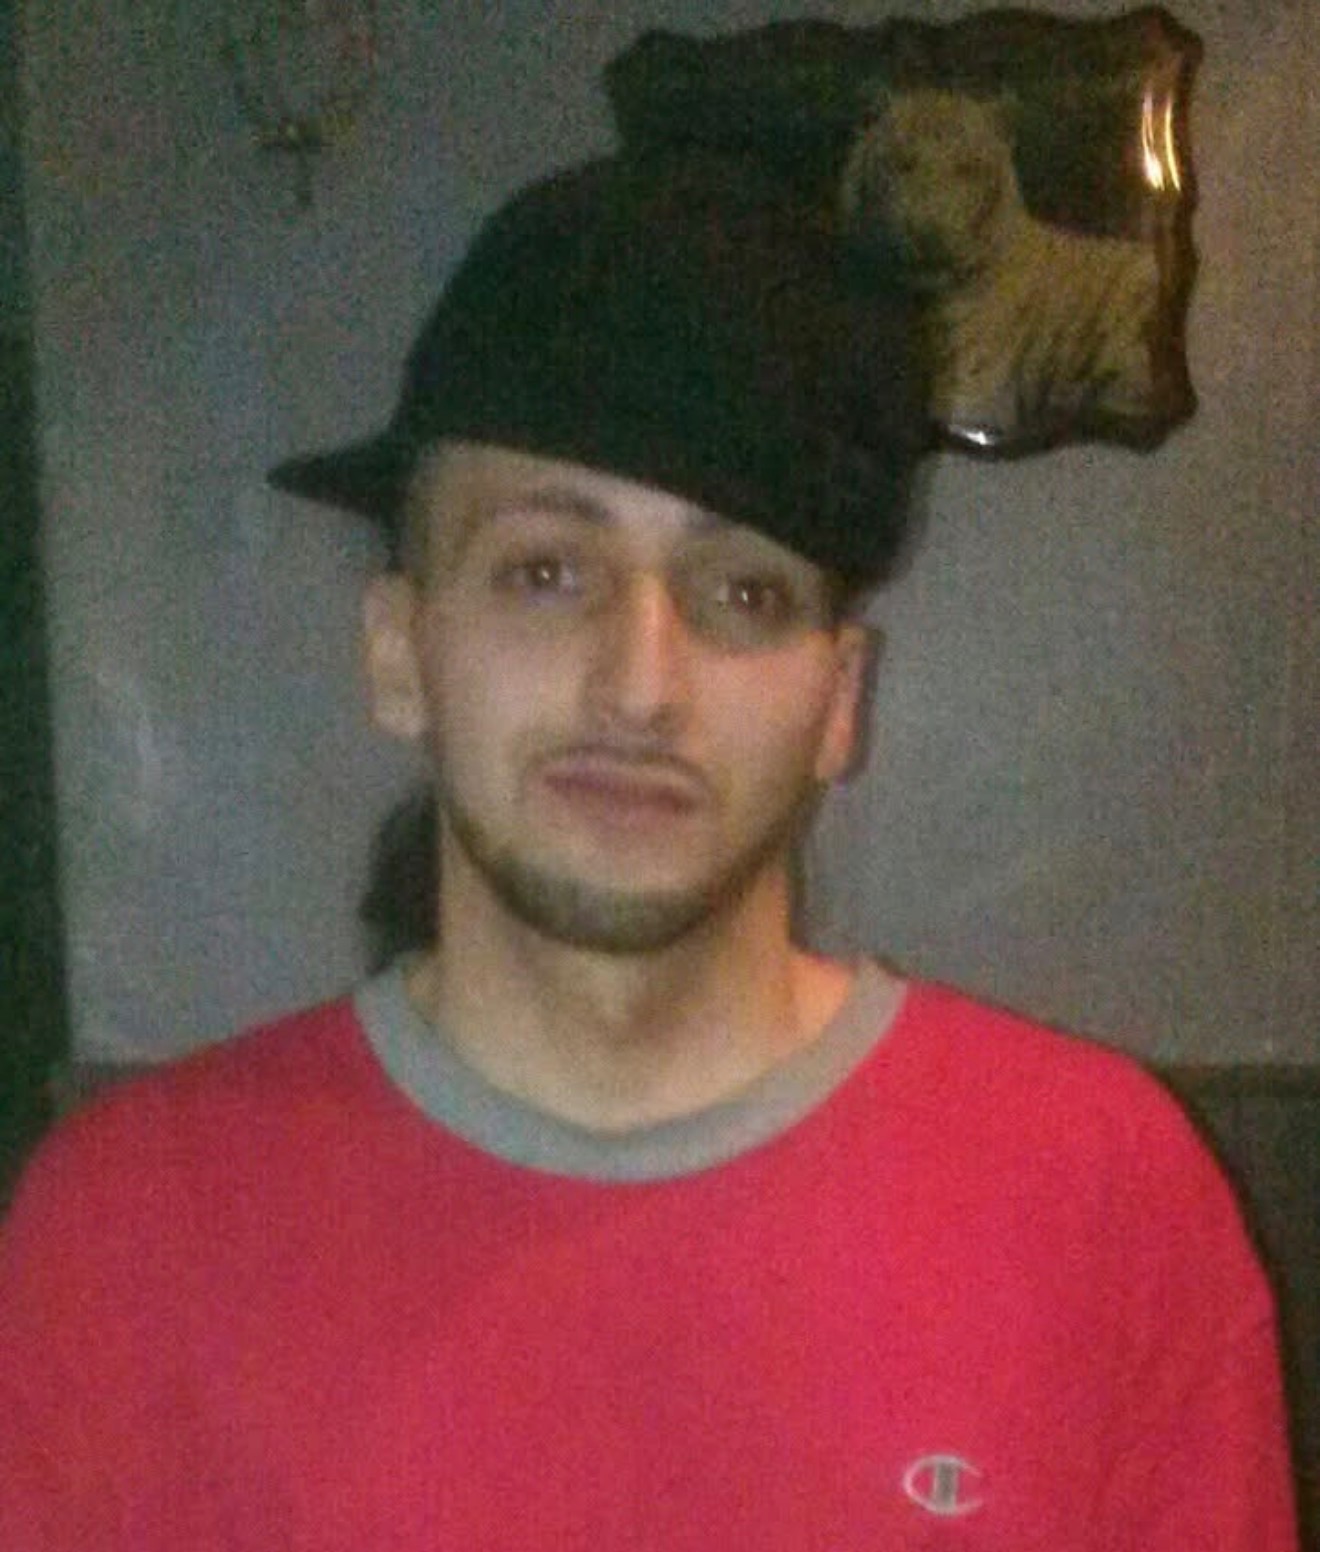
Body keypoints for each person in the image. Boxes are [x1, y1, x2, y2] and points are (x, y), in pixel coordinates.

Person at [0, 152, 1298, 1549]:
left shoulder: (1102, 1200)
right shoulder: (126, 1237)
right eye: (547, 572)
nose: (640, 684)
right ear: (399, 649)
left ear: (838, 701)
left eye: (742, 592)